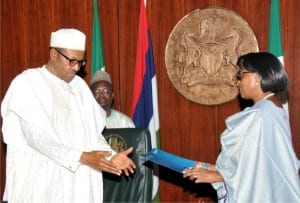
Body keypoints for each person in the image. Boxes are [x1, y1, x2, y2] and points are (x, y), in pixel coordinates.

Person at [1, 28, 136, 203]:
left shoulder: (79, 87)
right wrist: (83, 157)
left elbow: (92, 135)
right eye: (71, 61)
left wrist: (110, 156)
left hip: (77, 186)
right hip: (40, 184)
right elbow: (37, 139)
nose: (76, 68)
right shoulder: (28, 83)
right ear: (53, 54)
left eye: (80, 62)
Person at [183, 52, 300, 202]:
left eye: (241, 74)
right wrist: (212, 169)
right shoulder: (272, 107)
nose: (238, 82)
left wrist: (216, 177)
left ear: (257, 77)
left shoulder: (260, 115)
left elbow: (256, 176)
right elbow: (257, 165)